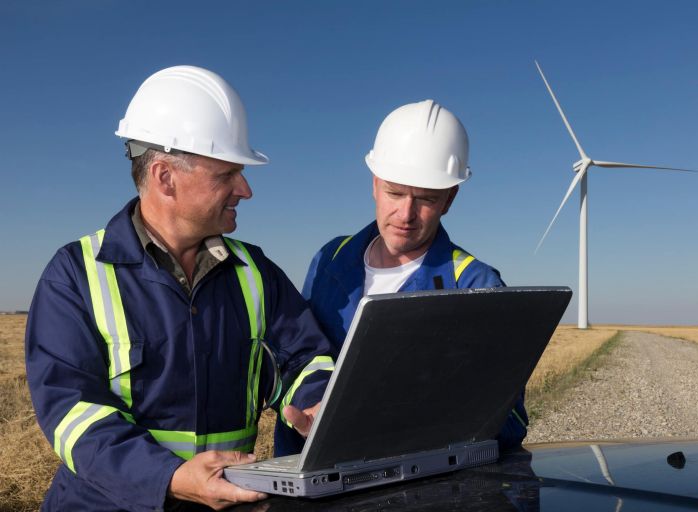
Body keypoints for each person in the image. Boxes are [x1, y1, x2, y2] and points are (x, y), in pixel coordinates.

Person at [25, 65, 335, 512]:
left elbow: (304, 356)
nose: (244, 189)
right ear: (165, 177)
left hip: (227, 503)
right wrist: (167, 477)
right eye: (226, 174)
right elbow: (72, 414)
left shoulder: (255, 270)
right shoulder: (74, 275)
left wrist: (316, 400)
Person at [287, 99, 528, 456]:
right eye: (394, 193)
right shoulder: (330, 258)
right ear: (374, 183)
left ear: (450, 199)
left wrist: (410, 419)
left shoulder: (476, 285)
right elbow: (299, 356)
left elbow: (511, 422)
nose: (406, 214)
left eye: (426, 199)